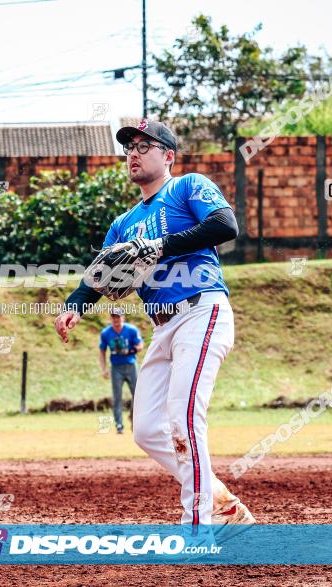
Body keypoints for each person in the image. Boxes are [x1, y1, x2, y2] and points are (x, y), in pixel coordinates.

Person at [54, 119, 254, 528]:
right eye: (129, 147)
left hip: (202, 311)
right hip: (162, 327)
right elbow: (100, 273)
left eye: (145, 145)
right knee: (146, 430)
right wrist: (75, 303)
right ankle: (220, 500)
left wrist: (159, 245)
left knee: (183, 419)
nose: (134, 153)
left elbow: (225, 226)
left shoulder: (187, 187)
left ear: (168, 156)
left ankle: (197, 528)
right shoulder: (123, 223)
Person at [99, 308, 143, 433]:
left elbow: (140, 346)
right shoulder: (106, 333)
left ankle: (135, 421)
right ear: (110, 318)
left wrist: (129, 351)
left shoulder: (131, 330)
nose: (116, 320)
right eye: (113, 317)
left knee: (138, 395)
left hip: (131, 365)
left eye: (118, 317)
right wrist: (104, 369)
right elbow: (102, 351)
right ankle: (119, 425)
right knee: (117, 397)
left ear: (123, 317)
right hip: (116, 368)